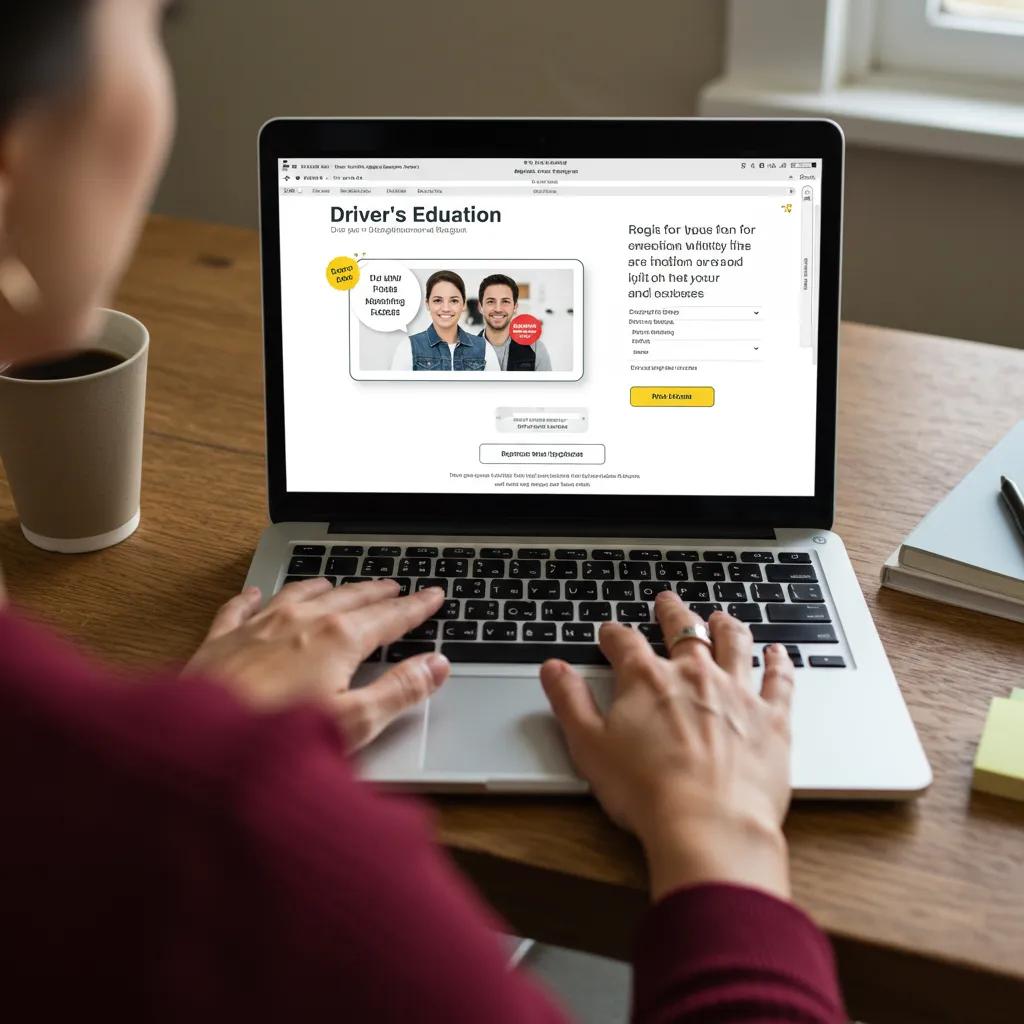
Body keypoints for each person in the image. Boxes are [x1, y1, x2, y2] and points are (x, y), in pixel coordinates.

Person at [0, 3, 846, 1021]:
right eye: (152, 21)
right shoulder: (233, 847)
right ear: (14, 158)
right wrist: (723, 829)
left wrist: (208, 734)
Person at [389, 269, 500, 371]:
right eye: (438, 300)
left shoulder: (485, 348)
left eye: (454, 301)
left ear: (463, 304)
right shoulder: (408, 347)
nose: (446, 308)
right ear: (427, 304)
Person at [477, 272, 553, 371]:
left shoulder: (536, 349)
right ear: (480, 307)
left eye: (505, 301)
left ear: (515, 307)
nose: (498, 309)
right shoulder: (464, 351)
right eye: (491, 301)